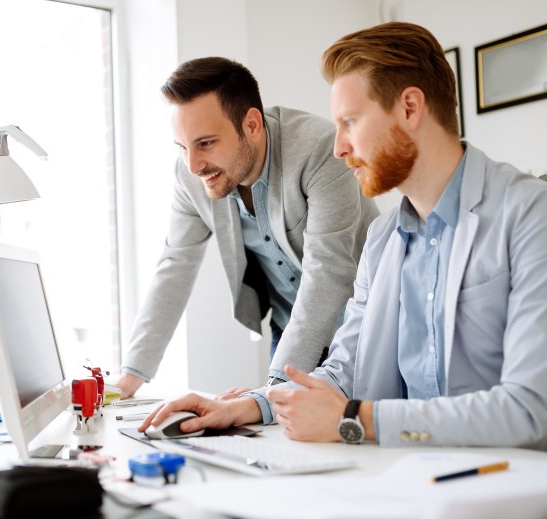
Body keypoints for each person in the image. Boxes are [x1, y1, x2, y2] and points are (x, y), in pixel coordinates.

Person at [139, 22, 547, 456]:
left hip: (536, 485)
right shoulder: (383, 238)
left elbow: (527, 409)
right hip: (421, 475)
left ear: (409, 108)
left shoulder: (538, 215)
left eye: (350, 122)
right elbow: (345, 368)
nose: (339, 147)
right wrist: (252, 404)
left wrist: (354, 420)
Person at [115, 57, 378, 399]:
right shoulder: (190, 175)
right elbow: (174, 268)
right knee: (283, 443)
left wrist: (269, 394)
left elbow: (329, 271)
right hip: (289, 334)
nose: (193, 165)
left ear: (252, 124)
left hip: (363, 330)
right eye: (182, 147)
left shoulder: (319, 148)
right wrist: (129, 378)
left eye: (205, 143)